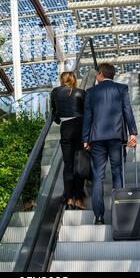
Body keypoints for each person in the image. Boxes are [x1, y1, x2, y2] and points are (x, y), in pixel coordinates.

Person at [82, 63, 137, 225]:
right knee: (117, 173)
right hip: (116, 138)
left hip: (97, 139)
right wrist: (132, 133)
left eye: (96, 75)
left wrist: (85, 139)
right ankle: (119, 215)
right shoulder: (122, 89)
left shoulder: (91, 92)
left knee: (98, 176)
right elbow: (128, 111)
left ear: (100, 74)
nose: (96, 78)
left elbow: (88, 117)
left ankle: (99, 217)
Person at [51, 71, 86, 210]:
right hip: (80, 128)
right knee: (80, 163)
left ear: (62, 80)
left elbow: (55, 113)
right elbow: (87, 113)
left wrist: (59, 119)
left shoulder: (55, 92)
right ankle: (79, 199)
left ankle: (69, 199)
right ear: (74, 79)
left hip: (65, 129)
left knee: (68, 165)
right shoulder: (81, 92)